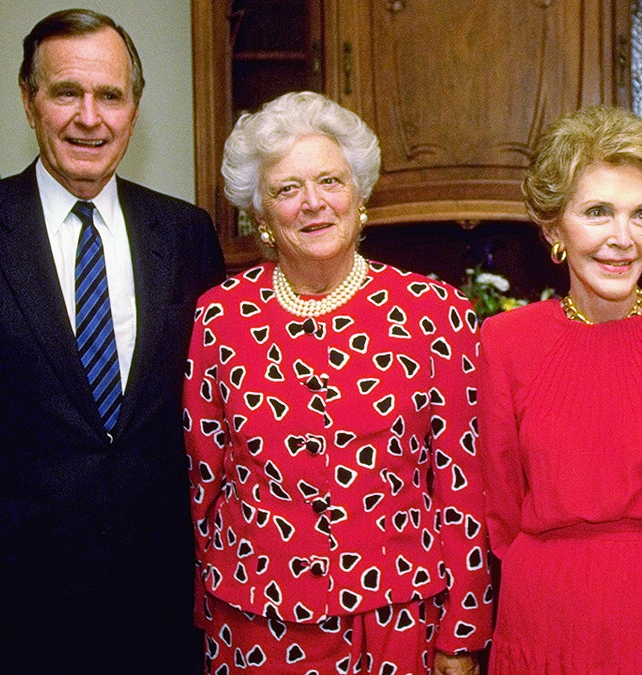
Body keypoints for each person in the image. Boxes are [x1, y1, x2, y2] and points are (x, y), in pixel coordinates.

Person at [0, 8, 226, 674]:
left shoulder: (186, 234)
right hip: (9, 617)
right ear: (29, 101)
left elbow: (213, 419)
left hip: (160, 614)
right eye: (65, 92)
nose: (90, 116)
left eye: (110, 95)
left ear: (134, 109)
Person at [185, 91, 492, 675]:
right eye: (287, 189)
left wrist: (464, 629)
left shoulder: (436, 312)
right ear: (262, 215)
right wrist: (205, 608)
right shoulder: (219, 317)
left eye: (330, 181)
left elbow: (462, 487)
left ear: (359, 195)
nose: (313, 204)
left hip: (398, 622)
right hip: (254, 620)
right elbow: (205, 478)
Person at [479, 105, 642, 673]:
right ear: (554, 228)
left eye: (640, 216)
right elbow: (499, 505)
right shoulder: (504, 342)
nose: (621, 239)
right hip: (544, 610)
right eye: (598, 212)